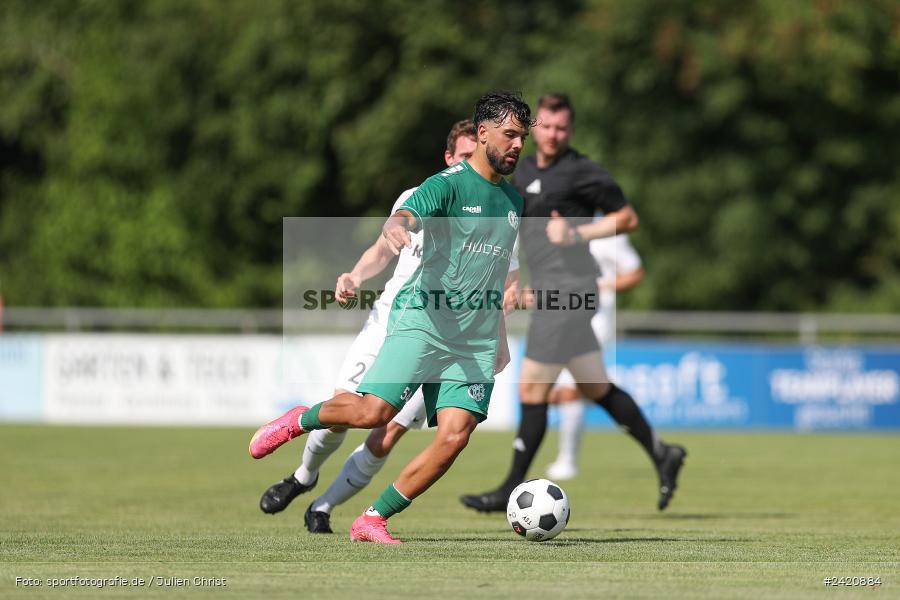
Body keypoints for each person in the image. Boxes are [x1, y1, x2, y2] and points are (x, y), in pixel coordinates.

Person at [249, 91, 531, 543]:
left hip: (474, 339)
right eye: (510, 134)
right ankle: (302, 418)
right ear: (483, 134)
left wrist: (499, 334)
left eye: (523, 137)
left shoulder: (513, 204)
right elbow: (404, 215)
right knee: (372, 412)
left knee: (456, 435)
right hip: (425, 322)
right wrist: (397, 226)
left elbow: (497, 277)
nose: (518, 145)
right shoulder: (447, 184)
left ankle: (372, 519)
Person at [461, 93, 686, 513]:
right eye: (545, 126)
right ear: (534, 128)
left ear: (571, 131)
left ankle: (510, 488)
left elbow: (628, 218)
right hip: (550, 289)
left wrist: (579, 234)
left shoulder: (584, 172)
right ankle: (663, 452)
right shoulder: (522, 168)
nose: (552, 134)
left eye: (562, 127)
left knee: (532, 387)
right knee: (595, 386)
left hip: (571, 292)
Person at [545, 233, 644, 481]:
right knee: (558, 393)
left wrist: (600, 285)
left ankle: (568, 461)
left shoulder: (608, 234)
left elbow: (634, 272)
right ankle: (654, 444)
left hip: (596, 321)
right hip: (564, 317)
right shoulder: (558, 232)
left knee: (571, 391)